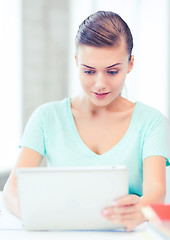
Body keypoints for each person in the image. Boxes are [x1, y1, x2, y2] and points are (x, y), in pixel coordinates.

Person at [2, 10, 170, 231]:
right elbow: (12, 189)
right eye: (89, 71)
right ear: (76, 62)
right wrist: (35, 215)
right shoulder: (46, 118)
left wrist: (140, 211)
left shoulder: (152, 121)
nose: (100, 84)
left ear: (130, 64)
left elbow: (156, 192)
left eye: (112, 71)